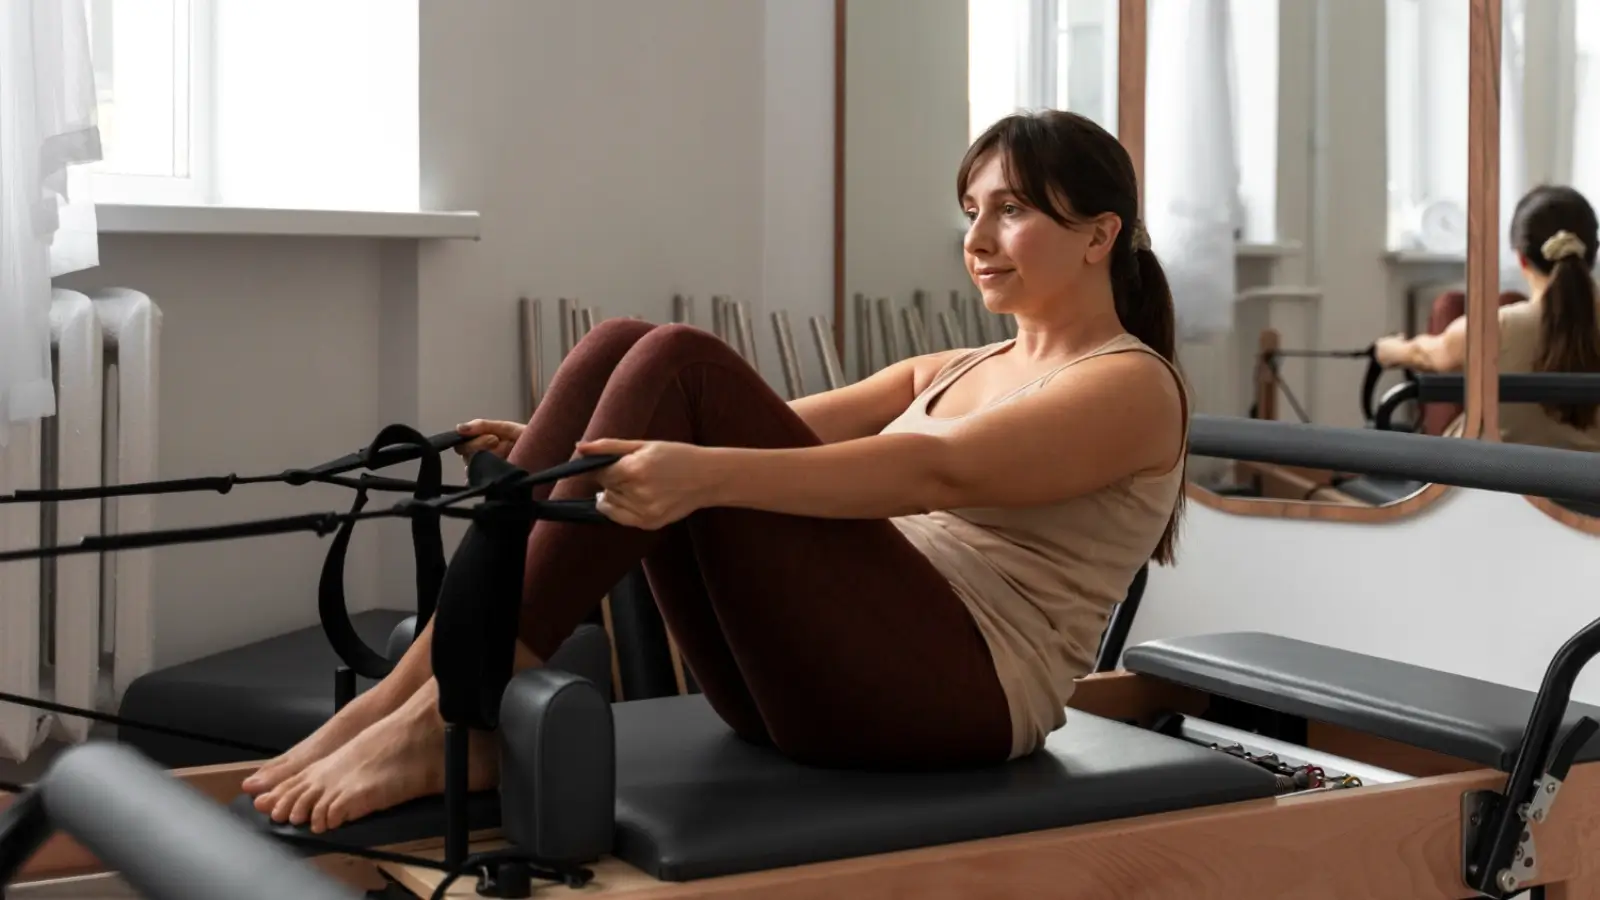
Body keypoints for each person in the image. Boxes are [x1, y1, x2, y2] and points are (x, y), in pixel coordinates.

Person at [239, 109, 1191, 836]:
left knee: (680, 361)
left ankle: (461, 713)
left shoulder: (1130, 387)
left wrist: (692, 471)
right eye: (972, 211)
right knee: (626, 350)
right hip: (819, 685)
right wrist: (558, 442)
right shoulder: (956, 367)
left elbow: (929, 470)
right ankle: (406, 693)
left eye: (1012, 211)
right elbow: (764, 433)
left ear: (1099, 234)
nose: (977, 240)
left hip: (951, 700)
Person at [1375, 184, 1600, 449]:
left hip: (1496, 484)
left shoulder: (1493, 327)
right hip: (1587, 486)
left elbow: (1423, 354)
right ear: (1592, 253)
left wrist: (1387, 350)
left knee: (1454, 313)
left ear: (1521, 258)